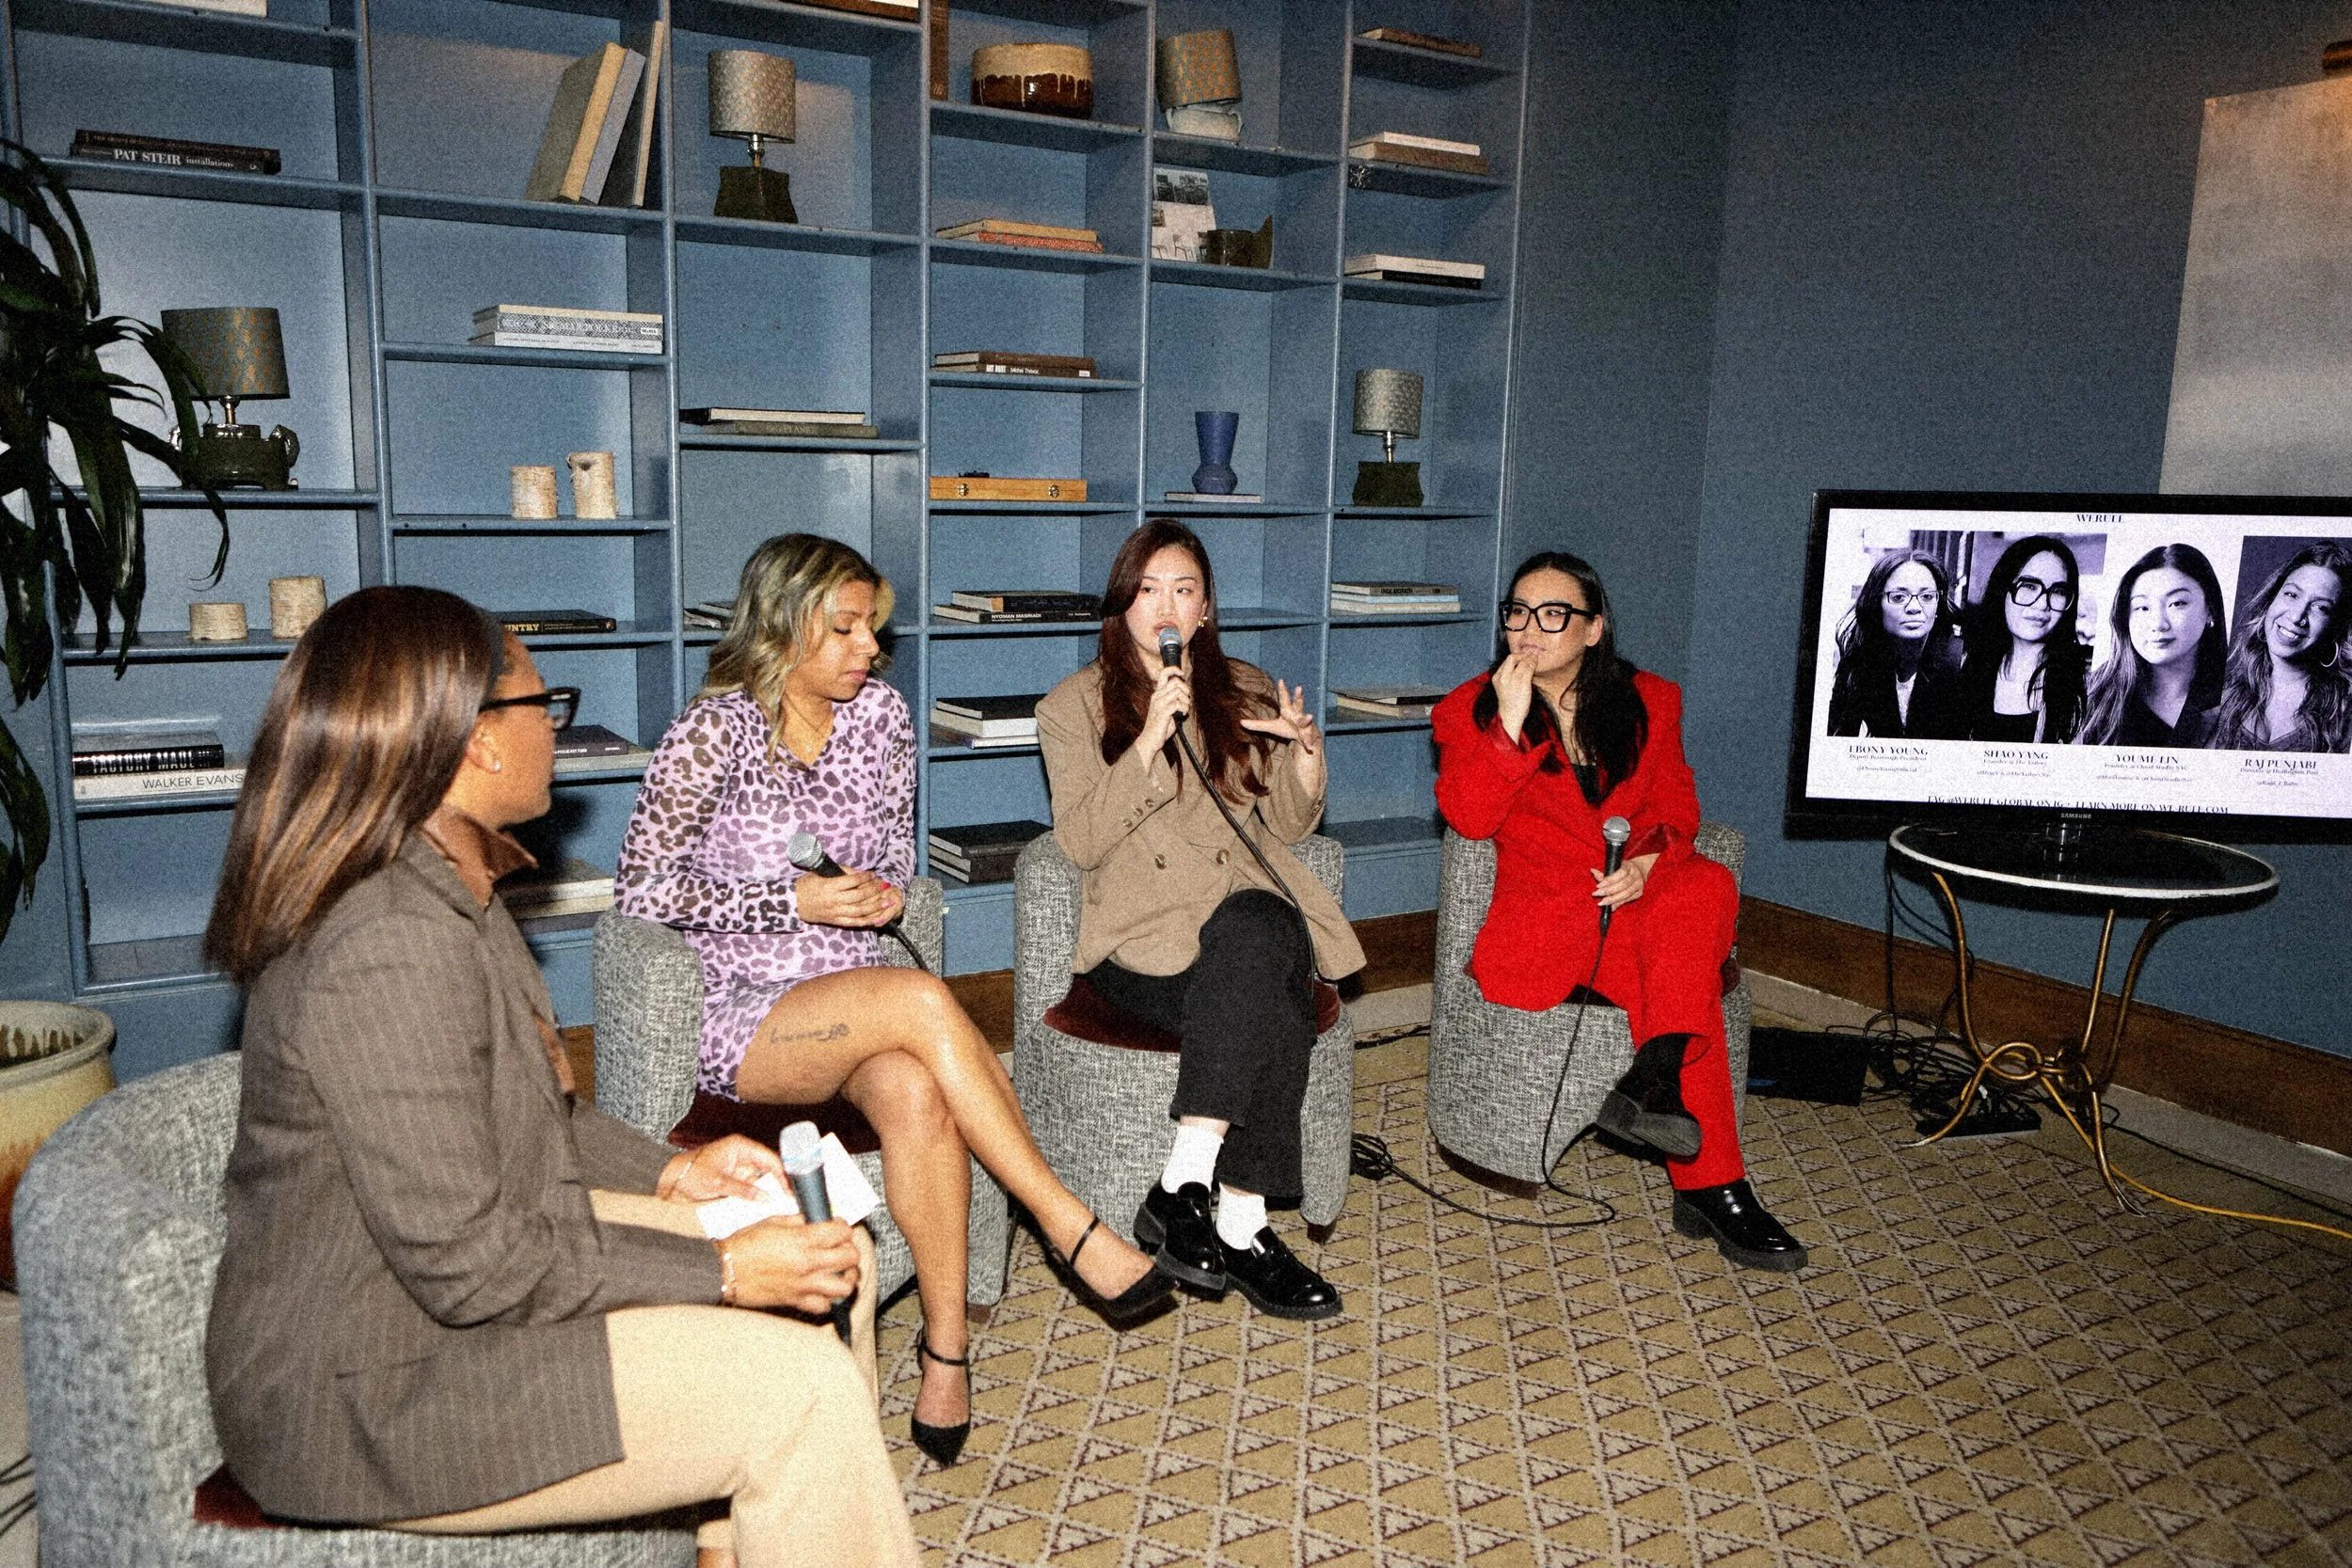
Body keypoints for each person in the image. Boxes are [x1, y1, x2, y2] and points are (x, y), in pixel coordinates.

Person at [202, 586, 918, 1568]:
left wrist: (675, 1173)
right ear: (475, 742)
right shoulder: (385, 944)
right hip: (371, 1383)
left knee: (813, 1242)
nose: (553, 728)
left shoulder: (450, 879)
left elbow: (536, 1106)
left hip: (451, 1295)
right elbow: (469, 1262)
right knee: (801, 1385)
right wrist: (721, 1270)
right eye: (545, 704)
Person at [616, 533, 1172, 1465]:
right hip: (748, 1010)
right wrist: (782, 897)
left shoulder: (880, 718)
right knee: (918, 1000)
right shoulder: (710, 729)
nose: (869, 646)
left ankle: (945, 1349)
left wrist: (870, 890)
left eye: (873, 624)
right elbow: (640, 886)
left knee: (914, 1087)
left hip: (853, 983)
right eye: (843, 627)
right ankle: (1062, 1218)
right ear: (781, 624)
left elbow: (890, 863)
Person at [1434, 551, 1808, 1273]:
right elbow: (1468, 817)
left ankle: (1656, 1076)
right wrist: (1508, 728)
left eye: (1553, 615)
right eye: (1517, 612)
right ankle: (1712, 1181)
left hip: (1632, 900)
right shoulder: (1469, 708)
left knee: (1703, 887)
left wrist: (1647, 862)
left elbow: (1676, 807)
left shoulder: (1651, 700)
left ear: (1594, 627)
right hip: (1544, 922)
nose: (1529, 630)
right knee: (1684, 973)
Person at [1035, 519, 1366, 1321]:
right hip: (1145, 948)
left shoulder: (1245, 688)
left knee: (1263, 931)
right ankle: (1243, 1226)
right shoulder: (1070, 707)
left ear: (1207, 609)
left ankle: (1192, 1188)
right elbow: (1076, 840)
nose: (1166, 607)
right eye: (1147, 590)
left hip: (1240, 924)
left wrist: (1307, 758)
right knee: (1277, 980)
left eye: (1183, 589)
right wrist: (1149, 740)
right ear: (1121, 607)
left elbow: (1285, 826)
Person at [1934, 536, 2090, 742]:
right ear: (2003, 590)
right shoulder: (1964, 668)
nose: (2043, 604)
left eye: (2058, 591)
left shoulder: (2083, 687)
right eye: (2029, 586)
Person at [2077, 543, 2227, 747]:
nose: (2158, 624)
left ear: (2210, 610)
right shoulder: (2092, 696)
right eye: (2142, 607)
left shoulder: (2237, 695)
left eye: (2177, 603)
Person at [2209, 542, 2352, 752]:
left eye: (2321, 608)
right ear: (2271, 599)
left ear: (2336, 626)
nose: (2296, 617)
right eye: (2292, 595)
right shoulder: (2219, 696)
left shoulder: (2345, 711)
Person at [1825, 548, 1961, 738]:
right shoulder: (1861, 661)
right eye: (1898, 597)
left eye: (1927, 597)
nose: (1914, 608)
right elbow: (1837, 736)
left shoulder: (1960, 662)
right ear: (1877, 605)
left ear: (1939, 604)